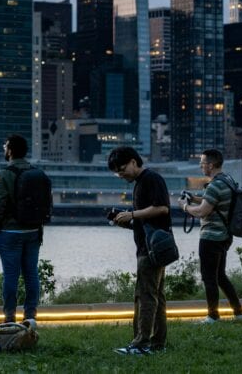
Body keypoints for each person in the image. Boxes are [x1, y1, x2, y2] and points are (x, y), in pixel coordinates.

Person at [108, 146, 171, 356]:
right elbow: (146, 218)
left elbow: (162, 208)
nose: (120, 174)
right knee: (155, 296)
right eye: (116, 172)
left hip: (151, 248)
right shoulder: (139, 183)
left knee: (145, 296)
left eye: (122, 168)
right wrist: (126, 220)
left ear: (134, 162)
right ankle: (157, 344)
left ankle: (141, 344)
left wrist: (132, 214)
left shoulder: (151, 179)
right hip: (148, 245)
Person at [180, 149, 242, 323]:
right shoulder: (227, 180)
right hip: (224, 235)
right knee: (220, 276)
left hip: (211, 237)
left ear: (210, 165)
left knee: (209, 277)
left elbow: (203, 211)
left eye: (202, 163)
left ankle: (212, 316)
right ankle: (239, 313)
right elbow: (212, 201)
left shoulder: (215, 185)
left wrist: (185, 207)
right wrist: (194, 198)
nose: (200, 166)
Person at [0, 134, 44, 325]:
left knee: (10, 275)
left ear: (10, 150)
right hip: (33, 231)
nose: (4, 149)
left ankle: (9, 317)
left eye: (5, 146)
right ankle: (30, 316)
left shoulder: (4, 174)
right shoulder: (37, 173)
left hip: (10, 233)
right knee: (31, 274)